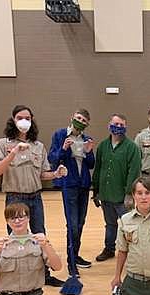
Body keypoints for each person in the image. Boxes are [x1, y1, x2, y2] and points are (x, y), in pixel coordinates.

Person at [0, 105, 67, 287]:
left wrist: (56, 174)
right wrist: (13, 152)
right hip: (15, 198)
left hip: (35, 197)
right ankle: (17, 273)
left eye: (27, 117)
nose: (23, 121)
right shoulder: (3, 144)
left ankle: (45, 273)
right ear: (13, 120)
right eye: (19, 117)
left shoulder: (38, 146)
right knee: (15, 237)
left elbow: (43, 174)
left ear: (32, 120)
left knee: (40, 235)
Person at [48, 108, 95, 274]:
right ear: (72, 117)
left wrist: (89, 153)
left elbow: (91, 164)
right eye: (78, 118)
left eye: (84, 120)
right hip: (69, 184)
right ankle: (71, 262)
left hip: (83, 185)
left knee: (80, 223)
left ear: (87, 124)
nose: (80, 121)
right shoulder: (60, 134)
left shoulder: (86, 138)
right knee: (73, 225)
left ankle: (75, 254)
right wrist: (63, 148)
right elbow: (52, 159)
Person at [92, 113, 141, 262]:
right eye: (115, 124)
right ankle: (109, 249)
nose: (118, 127)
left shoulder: (132, 147)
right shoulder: (102, 146)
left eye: (121, 125)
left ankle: (133, 252)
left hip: (122, 197)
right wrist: (96, 191)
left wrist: (129, 194)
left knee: (128, 225)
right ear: (109, 125)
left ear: (125, 127)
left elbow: (134, 171)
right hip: (106, 195)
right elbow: (98, 169)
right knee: (110, 225)